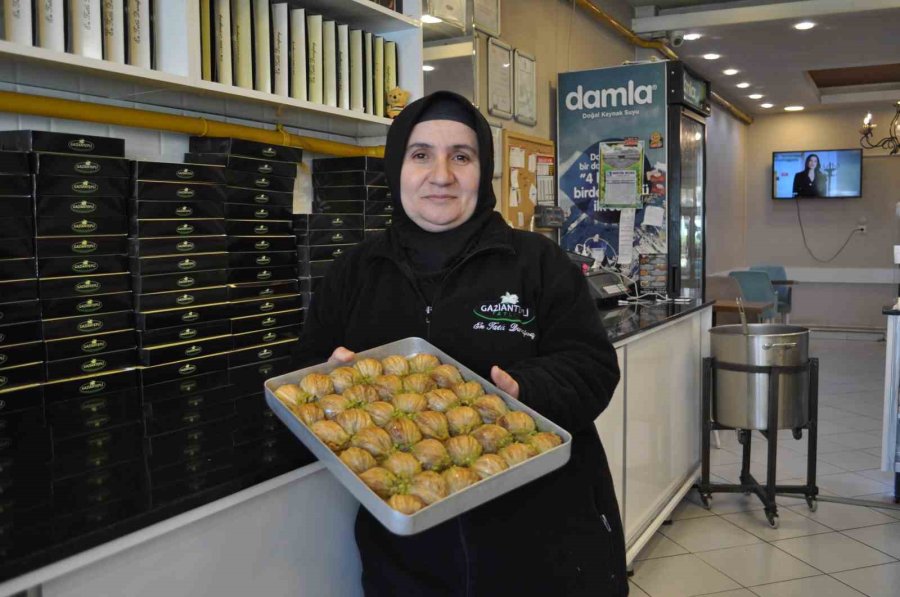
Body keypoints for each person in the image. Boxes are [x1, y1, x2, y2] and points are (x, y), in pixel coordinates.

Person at [297, 91, 627, 596]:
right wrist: (324, 384)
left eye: (462, 156)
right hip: (408, 552)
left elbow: (593, 367)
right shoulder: (354, 273)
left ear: (482, 170)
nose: (442, 175)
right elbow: (305, 367)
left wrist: (523, 391)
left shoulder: (537, 262)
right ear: (396, 167)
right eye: (421, 154)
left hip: (542, 541)